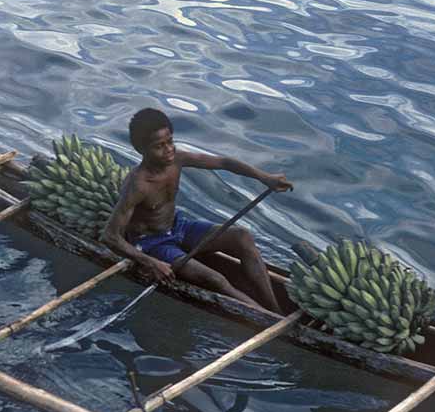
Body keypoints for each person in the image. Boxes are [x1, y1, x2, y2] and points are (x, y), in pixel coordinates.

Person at [101, 108, 292, 313]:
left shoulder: (177, 160)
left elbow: (224, 162)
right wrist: (151, 262)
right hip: (152, 243)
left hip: (177, 226)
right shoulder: (138, 185)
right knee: (216, 279)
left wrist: (264, 177)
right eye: (159, 146)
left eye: (170, 141)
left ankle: (275, 309)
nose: (168, 150)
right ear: (142, 150)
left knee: (242, 237)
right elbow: (110, 237)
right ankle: (267, 318)